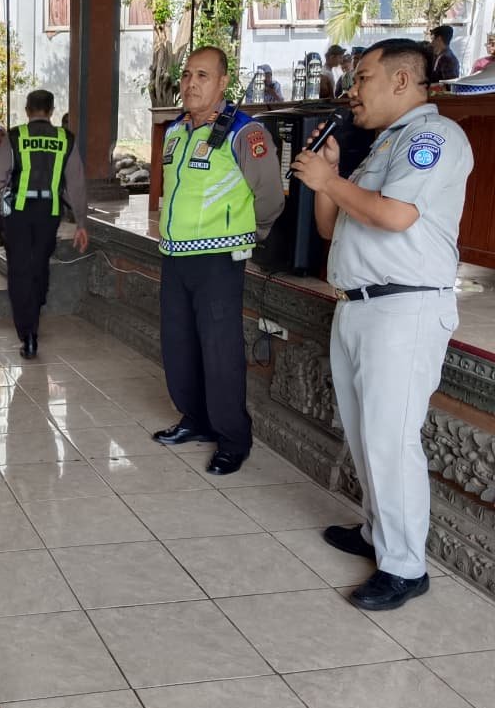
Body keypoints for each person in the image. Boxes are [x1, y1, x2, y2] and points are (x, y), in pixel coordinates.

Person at [291, 38, 472, 611]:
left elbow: (395, 216)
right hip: (360, 305)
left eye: (362, 76)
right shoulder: (380, 147)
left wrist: (330, 183)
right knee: (367, 433)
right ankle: (376, 532)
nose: (352, 88)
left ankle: (404, 566)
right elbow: (329, 229)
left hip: (404, 308)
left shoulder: (431, 138)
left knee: (391, 442)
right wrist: (331, 179)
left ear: (400, 80)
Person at [148, 47, 285, 476]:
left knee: (220, 351)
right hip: (176, 256)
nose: (191, 83)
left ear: (223, 82)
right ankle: (196, 419)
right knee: (179, 344)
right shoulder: (174, 132)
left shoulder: (245, 133)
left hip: (219, 258)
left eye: (202, 75)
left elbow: (270, 198)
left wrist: (248, 233)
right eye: (187, 75)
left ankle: (232, 438)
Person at [0, 89, 90, 360]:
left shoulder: (16, 137)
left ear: (28, 110)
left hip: (17, 214)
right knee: (39, 265)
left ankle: (27, 334)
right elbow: (75, 183)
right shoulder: (65, 139)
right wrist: (81, 222)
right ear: (51, 111)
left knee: (19, 270)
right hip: (48, 213)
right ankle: (36, 304)